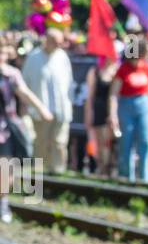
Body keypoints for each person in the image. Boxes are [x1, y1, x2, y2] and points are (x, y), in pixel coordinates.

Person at [0, 41, 52, 222]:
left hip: (6, 128)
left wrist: (42, 109)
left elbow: (25, 93)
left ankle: (4, 203)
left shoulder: (11, 74)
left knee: (9, 169)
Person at [21, 28, 73, 172]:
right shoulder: (34, 57)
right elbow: (24, 84)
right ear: (47, 41)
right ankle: (39, 174)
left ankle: (58, 172)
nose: (58, 46)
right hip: (40, 110)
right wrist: (26, 107)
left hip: (61, 108)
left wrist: (70, 104)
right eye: (56, 42)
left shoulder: (63, 57)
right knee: (41, 143)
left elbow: (69, 83)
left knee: (60, 142)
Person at [111, 37, 148, 183]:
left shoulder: (146, 68)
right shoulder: (123, 69)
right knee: (126, 143)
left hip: (144, 106)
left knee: (146, 142)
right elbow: (113, 94)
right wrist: (113, 115)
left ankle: (145, 179)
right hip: (126, 105)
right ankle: (126, 178)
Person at [84, 55, 119, 176]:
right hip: (99, 111)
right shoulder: (95, 71)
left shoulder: (117, 71)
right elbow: (90, 96)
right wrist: (89, 113)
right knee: (100, 143)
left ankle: (109, 168)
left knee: (110, 143)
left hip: (113, 112)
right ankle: (101, 168)